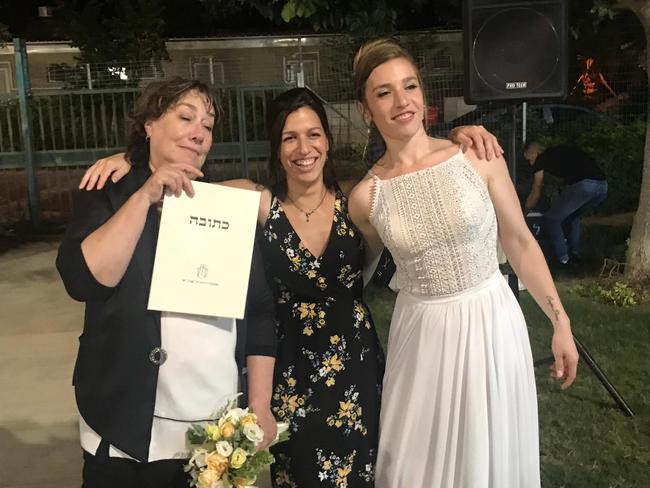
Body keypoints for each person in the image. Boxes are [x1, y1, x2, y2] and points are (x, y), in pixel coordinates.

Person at [79, 86, 502, 487]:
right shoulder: (257, 202)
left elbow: (417, 173)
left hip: (355, 366)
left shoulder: (357, 199)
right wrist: (129, 160)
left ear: (328, 140)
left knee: (363, 473)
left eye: (314, 134)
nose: (304, 149)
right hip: (289, 372)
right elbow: (173, 183)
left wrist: (459, 137)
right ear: (276, 148)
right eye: (290, 138)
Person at [347, 38, 579, 488]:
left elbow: (520, 242)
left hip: (492, 324)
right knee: (418, 465)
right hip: (422, 340)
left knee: (491, 458)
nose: (402, 101)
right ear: (365, 110)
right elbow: (360, 265)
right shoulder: (365, 198)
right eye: (383, 92)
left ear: (423, 93)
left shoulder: (477, 155)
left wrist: (560, 321)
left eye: (409, 86)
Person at [56, 78, 277, 488]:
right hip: (125, 431)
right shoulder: (110, 191)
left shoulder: (223, 206)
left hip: (216, 437)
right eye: (186, 117)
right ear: (149, 125)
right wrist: (144, 195)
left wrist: (260, 403)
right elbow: (82, 280)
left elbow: (260, 310)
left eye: (208, 126)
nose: (199, 132)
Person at [523, 141, 608, 266]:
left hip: (584, 186)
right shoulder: (561, 150)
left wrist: (524, 210)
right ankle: (575, 254)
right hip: (603, 186)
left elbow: (536, 191)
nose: (531, 163)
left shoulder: (541, 158)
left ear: (534, 152)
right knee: (573, 216)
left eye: (529, 159)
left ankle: (563, 259)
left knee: (552, 218)